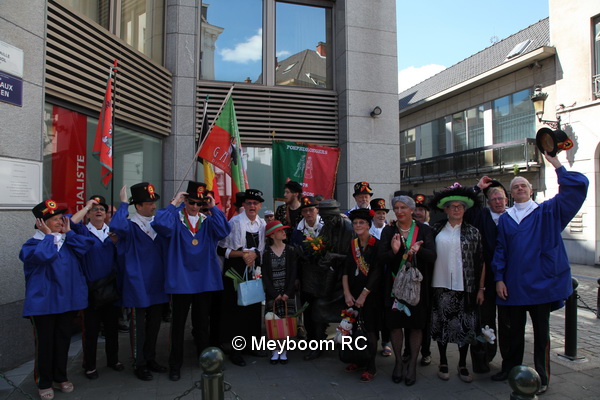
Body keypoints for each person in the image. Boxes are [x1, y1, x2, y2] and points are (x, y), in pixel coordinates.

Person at [492, 153, 588, 394]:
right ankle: (512, 371)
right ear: (511, 194)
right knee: (513, 334)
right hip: (514, 286)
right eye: (516, 186)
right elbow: (501, 250)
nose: (520, 188)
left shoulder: (548, 212)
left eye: (523, 185)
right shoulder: (505, 219)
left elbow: (576, 189)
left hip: (541, 286)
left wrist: (556, 164)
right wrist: (499, 278)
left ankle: (542, 378)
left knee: (542, 336)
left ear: (531, 190)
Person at [152, 181, 231, 381]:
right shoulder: (176, 219)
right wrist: (174, 203)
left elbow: (224, 230)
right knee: (178, 325)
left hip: (203, 280)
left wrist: (213, 207)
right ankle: (175, 364)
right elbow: (159, 224)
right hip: (181, 280)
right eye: (191, 202)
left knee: (202, 324)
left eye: (199, 203)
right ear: (185, 201)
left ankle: (205, 361)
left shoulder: (207, 221)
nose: (195, 206)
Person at [20, 199, 94, 399]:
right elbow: (43, 256)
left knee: (63, 342)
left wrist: (70, 233)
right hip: (43, 306)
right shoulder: (31, 245)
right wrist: (47, 237)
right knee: (45, 345)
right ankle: (44, 381)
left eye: (61, 218)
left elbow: (86, 247)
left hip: (66, 303)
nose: (61, 222)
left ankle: (60, 376)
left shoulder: (67, 241)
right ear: (41, 223)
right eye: (55, 219)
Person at [110, 183, 169, 381]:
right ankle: (139, 362)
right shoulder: (129, 225)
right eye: (149, 203)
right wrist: (123, 203)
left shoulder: (158, 224)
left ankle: (150, 358)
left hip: (157, 283)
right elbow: (116, 226)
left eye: (154, 202)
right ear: (138, 206)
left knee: (154, 325)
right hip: (138, 285)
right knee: (138, 328)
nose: (154, 206)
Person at [429, 184, 484, 384]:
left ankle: (462, 363)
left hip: (465, 286)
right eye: (452, 206)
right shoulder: (435, 230)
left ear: (465, 209)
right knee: (441, 325)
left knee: (465, 326)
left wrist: (481, 288)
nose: (456, 209)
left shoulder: (473, 232)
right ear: (446, 209)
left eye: (460, 206)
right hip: (440, 285)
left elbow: (481, 262)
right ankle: (443, 361)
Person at [379, 195, 436, 386]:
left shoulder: (424, 230)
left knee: (416, 326)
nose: (399, 211)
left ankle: (412, 364)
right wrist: (394, 251)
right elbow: (381, 258)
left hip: (416, 288)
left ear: (412, 210)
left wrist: (418, 250)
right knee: (395, 325)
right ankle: (398, 362)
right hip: (394, 287)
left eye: (403, 207)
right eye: (396, 208)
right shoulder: (389, 230)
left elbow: (432, 256)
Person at [70, 195, 123, 380]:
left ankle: (113, 360)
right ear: (89, 214)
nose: (99, 211)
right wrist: (86, 207)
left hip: (111, 289)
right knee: (91, 331)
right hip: (91, 290)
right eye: (95, 209)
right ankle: (90, 365)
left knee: (112, 329)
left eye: (102, 209)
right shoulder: (83, 231)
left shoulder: (113, 233)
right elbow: (70, 222)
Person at [464, 177, 510, 376]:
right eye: (494, 199)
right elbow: (465, 208)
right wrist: (477, 188)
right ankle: (484, 359)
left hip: (509, 279)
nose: (498, 202)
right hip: (484, 279)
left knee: (508, 323)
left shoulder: (513, 216)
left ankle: (509, 362)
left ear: (506, 200)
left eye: (501, 198)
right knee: (485, 321)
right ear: (488, 202)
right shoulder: (481, 215)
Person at [218, 189, 268, 366]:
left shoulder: (262, 224)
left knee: (253, 308)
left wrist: (254, 255)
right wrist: (243, 255)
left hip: (253, 269)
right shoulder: (234, 222)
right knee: (236, 310)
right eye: (249, 203)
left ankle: (252, 345)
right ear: (244, 205)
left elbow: (263, 249)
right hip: (236, 269)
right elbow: (221, 249)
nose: (252, 206)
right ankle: (235, 350)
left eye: (255, 203)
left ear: (260, 206)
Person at [299, 199, 353, 361]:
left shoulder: (348, 228)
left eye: (329, 218)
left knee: (349, 312)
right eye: (324, 219)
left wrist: (335, 256)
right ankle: (318, 343)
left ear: (336, 215)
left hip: (346, 278)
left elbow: (354, 256)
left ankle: (350, 345)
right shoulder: (327, 227)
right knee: (318, 306)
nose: (327, 222)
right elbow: (322, 248)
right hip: (331, 276)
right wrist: (319, 256)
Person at [342, 208, 382, 382]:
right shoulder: (352, 244)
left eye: (362, 223)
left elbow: (377, 273)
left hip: (371, 294)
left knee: (370, 330)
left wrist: (364, 295)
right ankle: (357, 359)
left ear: (368, 225)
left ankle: (371, 366)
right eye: (355, 223)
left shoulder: (377, 244)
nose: (358, 225)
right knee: (351, 327)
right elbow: (345, 271)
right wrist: (347, 293)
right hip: (352, 293)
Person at [261, 220, 300, 365]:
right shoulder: (266, 253)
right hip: (273, 293)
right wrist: (273, 293)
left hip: (286, 292)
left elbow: (293, 272)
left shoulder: (290, 250)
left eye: (283, 230)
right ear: (272, 235)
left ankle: (283, 350)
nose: (284, 232)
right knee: (273, 322)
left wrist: (288, 292)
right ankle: (274, 350)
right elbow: (265, 275)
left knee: (286, 322)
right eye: (279, 231)